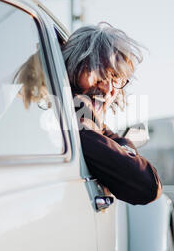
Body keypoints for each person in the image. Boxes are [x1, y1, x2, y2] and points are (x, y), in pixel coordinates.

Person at [61, 22, 162, 205]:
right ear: (71, 68)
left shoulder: (94, 124)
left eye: (115, 78)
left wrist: (122, 145)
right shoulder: (74, 115)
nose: (107, 88)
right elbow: (147, 186)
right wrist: (124, 148)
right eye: (99, 72)